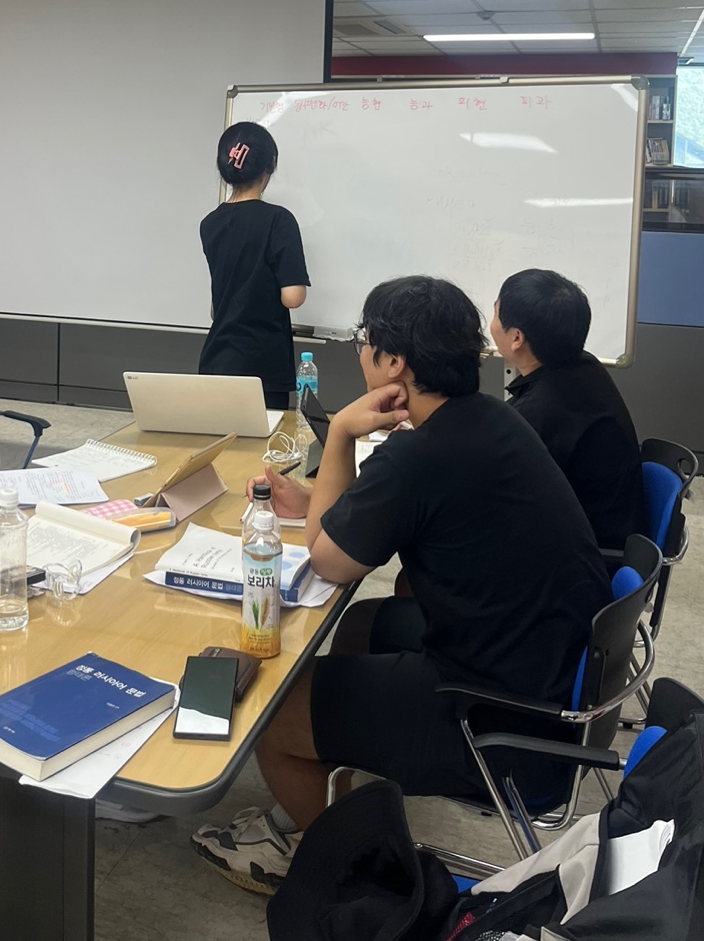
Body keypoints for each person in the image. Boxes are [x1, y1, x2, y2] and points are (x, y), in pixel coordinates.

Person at [193, 275, 611, 894]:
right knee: (362, 626)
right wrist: (323, 498)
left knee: (269, 713)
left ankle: (351, 869)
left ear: (395, 363)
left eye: (365, 339)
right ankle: (335, 774)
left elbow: (328, 560)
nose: (361, 349)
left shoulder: (418, 455)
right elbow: (381, 513)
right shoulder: (488, 417)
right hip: (549, 671)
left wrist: (341, 432)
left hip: (499, 717)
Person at [491, 269, 646, 552]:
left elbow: (491, 494)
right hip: (610, 530)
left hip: (588, 556)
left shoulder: (539, 412)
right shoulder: (583, 365)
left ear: (516, 338)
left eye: (496, 314)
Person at [198, 121, 309, 409]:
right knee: (263, 438)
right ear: (270, 165)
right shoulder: (279, 220)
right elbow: (293, 297)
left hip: (217, 358)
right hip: (262, 363)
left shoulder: (210, 223)